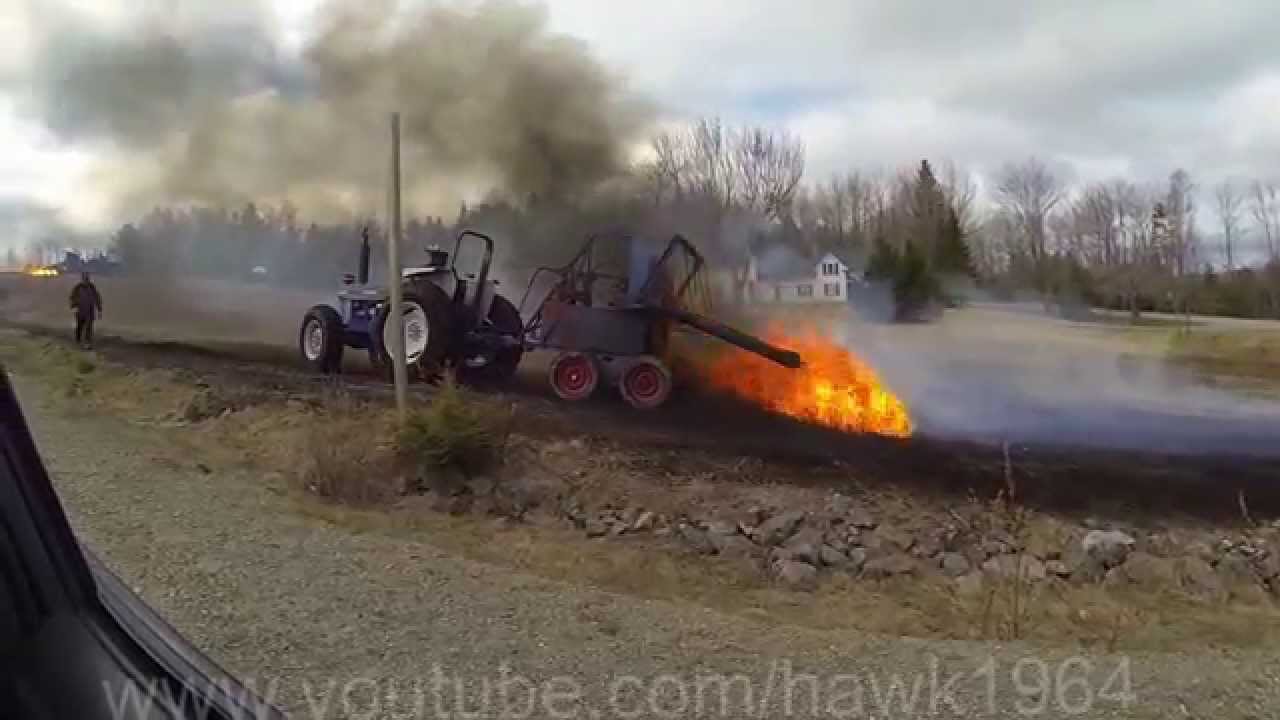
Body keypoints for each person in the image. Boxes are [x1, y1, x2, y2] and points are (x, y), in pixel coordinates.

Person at [69, 272, 103, 349]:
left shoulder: (92, 287)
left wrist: (99, 309)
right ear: (82, 279)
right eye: (84, 278)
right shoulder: (78, 287)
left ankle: (87, 342)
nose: (86, 280)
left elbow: (97, 298)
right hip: (80, 311)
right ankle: (78, 340)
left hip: (90, 311)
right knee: (79, 327)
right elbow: (72, 297)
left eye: (87, 278)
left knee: (89, 327)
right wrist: (73, 307)